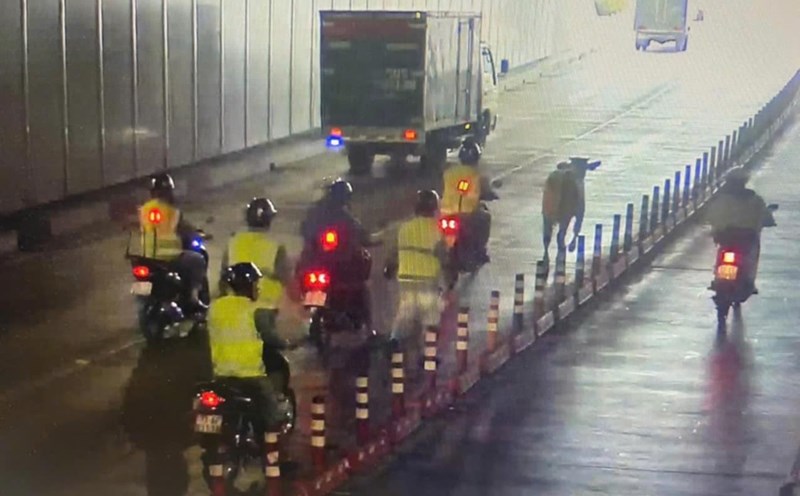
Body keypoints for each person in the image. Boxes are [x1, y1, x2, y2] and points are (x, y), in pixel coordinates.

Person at [208, 263, 293, 429]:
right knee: (272, 417)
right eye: (256, 284)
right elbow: (270, 337)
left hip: (220, 375)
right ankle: (268, 448)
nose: (257, 288)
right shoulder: (255, 309)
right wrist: (287, 343)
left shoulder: (215, 307)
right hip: (250, 377)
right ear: (248, 286)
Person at [384, 190, 449, 358]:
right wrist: (449, 277)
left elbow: (393, 253)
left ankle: (394, 341)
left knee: (405, 313)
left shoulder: (404, 228)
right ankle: (428, 355)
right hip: (428, 280)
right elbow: (445, 258)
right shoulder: (437, 230)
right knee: (430, 319)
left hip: (405, 278)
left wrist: (389, 269)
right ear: (434, 208)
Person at [138, 173, 207, 311]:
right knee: (198, 260)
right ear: (169, 191)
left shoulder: (144, 209)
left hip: (146, 256)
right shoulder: (172, 211)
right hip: (167, 256)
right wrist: (198, 233)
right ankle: (193, 297)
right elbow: (185, 228)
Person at [705, 166, 776, 293]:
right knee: (752, 256)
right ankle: (749, 281)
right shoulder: (755, 199)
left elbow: (710, 215)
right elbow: (764, 215)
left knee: (721, 251)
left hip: (725, 236)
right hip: (747, 237)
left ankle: (718, 276)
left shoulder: (722, 199)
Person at [221, 198, 291, 313]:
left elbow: (223, 276)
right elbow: (286, 278)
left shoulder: (233, 242)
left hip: (235, 305)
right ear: (269, 220)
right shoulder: (276, 246)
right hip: (267, 306)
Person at [440, 138, 498, 262]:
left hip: (446, 212)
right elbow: (486, 190)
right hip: (468, 214)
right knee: (486, 217)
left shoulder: (448, 172)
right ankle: (481, 250)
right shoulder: (476, 174)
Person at [541, 160, 583, 258]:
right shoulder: (573, 178)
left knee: (547, 227)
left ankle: (546, 250)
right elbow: (578, 199)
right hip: (566, 208)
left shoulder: (552, 176)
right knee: (562, 230)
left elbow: (547, 194)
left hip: (550, 207)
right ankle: (560, 246)